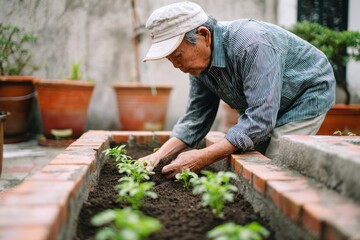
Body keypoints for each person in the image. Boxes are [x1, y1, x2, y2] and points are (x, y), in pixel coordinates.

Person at [140, 1, 335, 178]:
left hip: (304, 95)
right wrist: (157, 156)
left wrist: (201, 157)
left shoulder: (252, 43)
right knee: (248, 154)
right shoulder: (198, 67)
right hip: (266, 105)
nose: (176, 65)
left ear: (204, 35)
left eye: (178, 55)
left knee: (273, 164)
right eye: (170, 59)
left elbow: (260, 119)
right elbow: (196, 119)